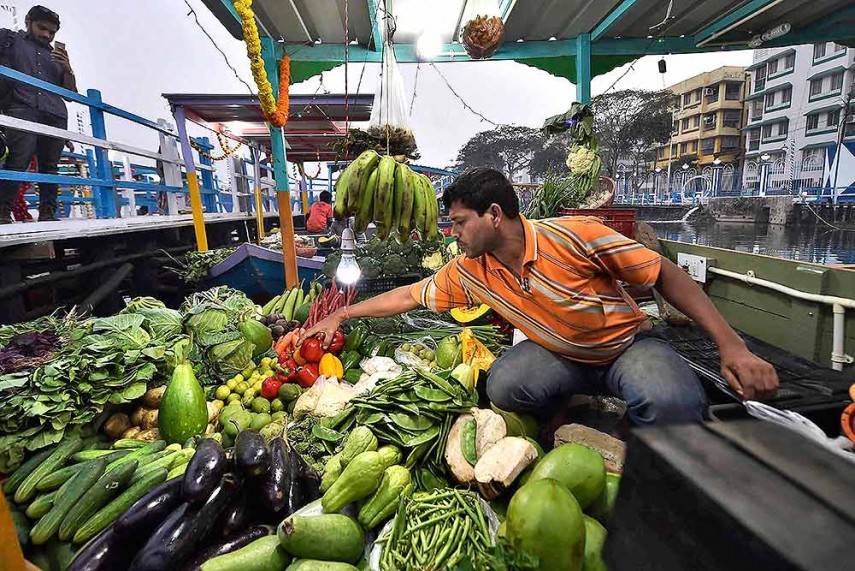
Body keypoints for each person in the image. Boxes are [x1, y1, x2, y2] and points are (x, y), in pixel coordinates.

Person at [299, 167, 780, 430]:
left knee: (674, 406)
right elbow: (408, 295)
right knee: (504, 386)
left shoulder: (574, 236)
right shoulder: (471, 271)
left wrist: (730, 345)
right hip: (561, 356)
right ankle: (570, 404)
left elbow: (666, 275)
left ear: (493, 216)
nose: (454, 234)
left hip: (627, 347)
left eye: (460, 223)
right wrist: (342, 311)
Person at [0, 5, 76, 223]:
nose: (46, 35)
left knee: (50, 168)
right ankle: (3, 213)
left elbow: (70, 95)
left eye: (52, 32)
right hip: (22, 108)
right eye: (42, 28)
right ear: (28, 23)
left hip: (55, 115)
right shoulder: (11, 41)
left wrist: (68, 68)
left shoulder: (58, 56)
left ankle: (48, 214)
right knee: (17, 161)